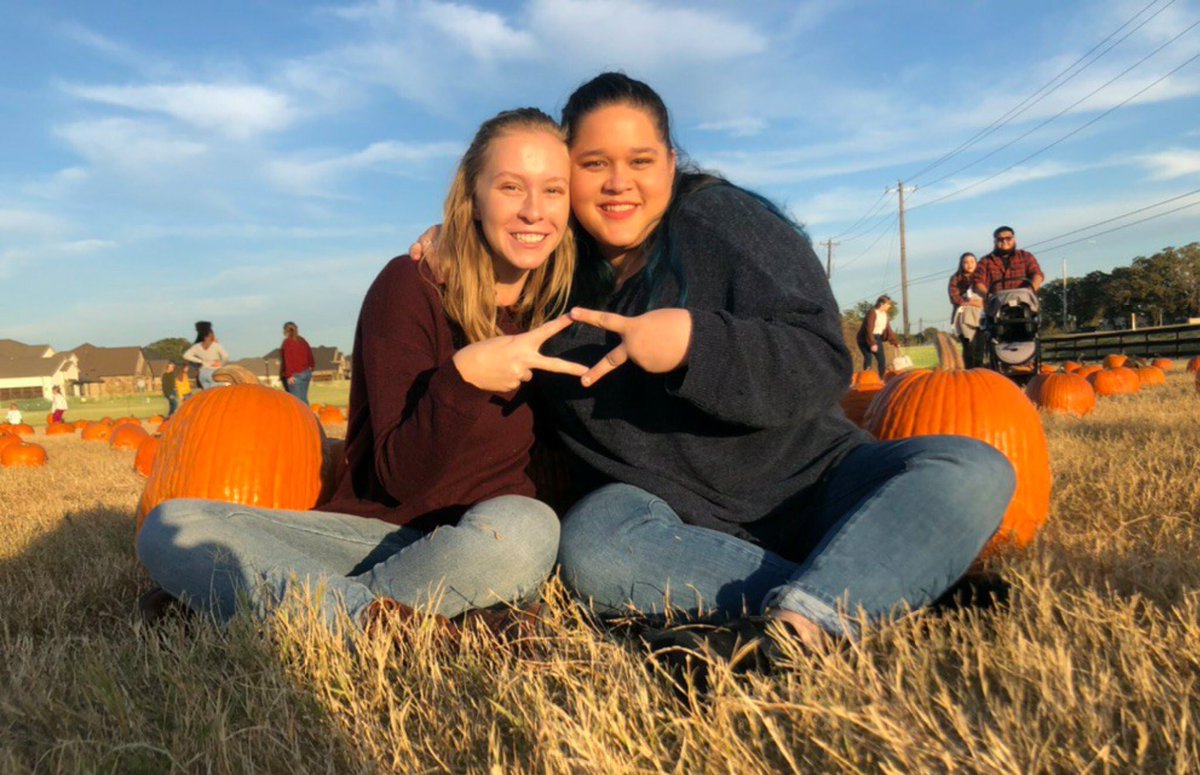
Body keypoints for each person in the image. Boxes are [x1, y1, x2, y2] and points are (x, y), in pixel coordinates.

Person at [524, 73, 1014, 657]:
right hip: (680, 528)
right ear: (564, 171)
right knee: (594, 545)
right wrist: (453, 246)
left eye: (640, 160)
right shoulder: (547, 268)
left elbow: (824, 359)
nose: (618, 183)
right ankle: (867, 586)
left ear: (672, 161)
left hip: (818, 486)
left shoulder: (721, 221)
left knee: (972, 467)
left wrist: (695, 344)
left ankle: (804, 627)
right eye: (594, 163)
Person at [137, 108, 585, 634]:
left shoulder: (569, 309)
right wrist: (462, 379)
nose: (534, 210)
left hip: (487, 538)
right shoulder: (410, 287)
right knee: (169, 526)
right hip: (382, 536)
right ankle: (391, 625)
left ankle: (288, 606)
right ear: (473, 195)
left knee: (527, 528)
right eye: (511, 187)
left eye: (553, 191)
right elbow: (401, 477)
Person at [974, 226, 1044, 297]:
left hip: (1024, 301)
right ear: (995, 242)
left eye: (1008, 238)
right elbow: (977, 281)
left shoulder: (1026, 256)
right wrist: (988, 296)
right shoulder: (985, 261)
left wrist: (1030, 291)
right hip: (996, 303)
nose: (1004, 241)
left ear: (1014, 239)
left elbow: (1037, 274)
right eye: (1000, 239)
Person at [949, 253, 985, 368]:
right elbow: (955, 298)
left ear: (976, 263)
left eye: (972, 262)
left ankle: (979, 371)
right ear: (961, 264)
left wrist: (984, 302)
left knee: (980, 347)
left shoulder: (982, 277)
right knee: (969, 347)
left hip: (982, 316)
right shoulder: (956, 279)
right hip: (964, 317)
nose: (969, 265)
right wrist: (972, 302)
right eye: (966, 262)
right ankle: (969, 373)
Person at [854, 295, 901, 378]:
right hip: (865, 339)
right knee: (868, 357)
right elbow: (868, 329)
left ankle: (881, 379)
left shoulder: (885, 315)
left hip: (877, 337)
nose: (889, 306)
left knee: (882, 360)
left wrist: (895, 342)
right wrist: (872, 343)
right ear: (882, 304)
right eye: (888, 304)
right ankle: (865, 379)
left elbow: (888, 330)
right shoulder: (872, 312)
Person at [183, 321, 229, 390]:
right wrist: (221, 363)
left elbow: (186, 355)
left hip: (202, 373)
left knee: (207, 394)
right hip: (214, 371)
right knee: (217, 392)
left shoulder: (197, 346)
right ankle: (223, 387)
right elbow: (225, 356)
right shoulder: (216, 346)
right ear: (210, 334)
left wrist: (200, 361)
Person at [280, 322, 316, 405]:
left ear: (285, 331)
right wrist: (311, 367)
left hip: (296, 375)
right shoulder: (302, 341)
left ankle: (305, 417)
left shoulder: (287, 342)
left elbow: (288, 359)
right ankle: (309, 416)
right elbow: (310, 354)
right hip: (306, 373)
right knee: (303, 399)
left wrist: (289, 375)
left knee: (297, 402)